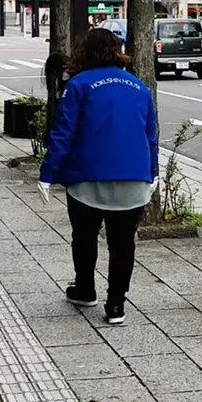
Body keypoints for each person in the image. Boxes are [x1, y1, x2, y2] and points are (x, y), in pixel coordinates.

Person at [39, 30, 158, 325]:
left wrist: (48, 174)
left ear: (84, 52)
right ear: (117, 51)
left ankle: (85, 289)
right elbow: (151, 137)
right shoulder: (140, 88)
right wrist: (152, 172)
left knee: (84, 235)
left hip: (87, 177)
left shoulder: (78, 85)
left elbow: (63, 133)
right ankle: (116, 304)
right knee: (123, 244)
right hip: (134, 177)